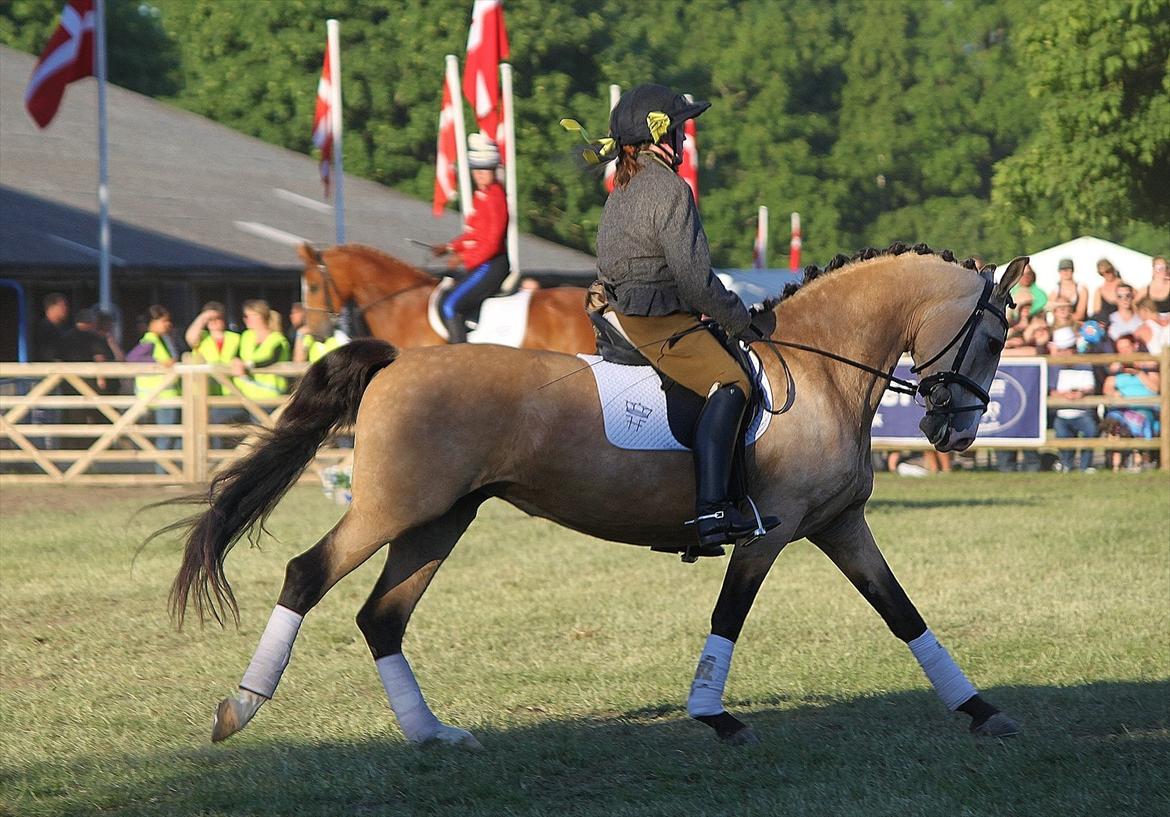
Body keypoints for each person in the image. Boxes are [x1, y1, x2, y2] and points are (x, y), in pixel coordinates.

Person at [588, 83, 779, 557]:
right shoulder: (670, 190)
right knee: (734, 382)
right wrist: (741, 321)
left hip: (619, 313)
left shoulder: (623, 188)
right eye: (678, 131)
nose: (684, 140)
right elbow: (696, 282)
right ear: (658, 138)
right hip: (654, 320)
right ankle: (714, 511)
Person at [432, 133, 510, 343]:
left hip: (491, 265)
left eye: (485, 169)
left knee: (450, 306)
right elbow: (474, 234)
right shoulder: (482, 196)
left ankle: (461, 357)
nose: (480, 174)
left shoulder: (495, 198)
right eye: (477, 169)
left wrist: (465, 259)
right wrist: (450, 248)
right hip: (482, 263)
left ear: (493, 170)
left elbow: (491, 243)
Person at [127, 305, 182, 460]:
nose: (167, 324)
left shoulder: (164, 339)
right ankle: (164, 471)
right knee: (166, 435)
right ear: (153, 322)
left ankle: (169, 471)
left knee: (172, 436)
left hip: (167, 394)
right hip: (159, 395)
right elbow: (132, 358)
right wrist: (158, 362)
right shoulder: (150, 339)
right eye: (164, 321)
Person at [185, 301, 242, 448]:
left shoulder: (235, 338)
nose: (215, 322)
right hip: (205, 392)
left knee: (229, 432)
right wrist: (203, 317)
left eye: (218, 318)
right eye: (210, 320)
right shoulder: (202, 337)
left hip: (230, 392)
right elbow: (190, 338)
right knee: (205, 433)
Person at [1101, 334, 1160, 471]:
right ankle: (1116, 466)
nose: (1124, 352)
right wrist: (1114, 393)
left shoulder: (1149, 363)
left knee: (1140, 418)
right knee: (1113, 422)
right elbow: (1107, 388)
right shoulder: (1116, 368)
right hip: (1122, 407)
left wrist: (1139, 372)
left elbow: (1155, 388)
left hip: (1145, 406)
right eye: (1120, 349)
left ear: (1135, 346)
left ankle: (1140, 461)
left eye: (1127, 347)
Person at [1048, 326, 1098, 472]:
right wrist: (1065, 396)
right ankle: (1066, 465)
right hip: (1062, 413)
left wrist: (1081, 394)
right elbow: (1052, 391)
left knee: (1091, 432)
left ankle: (1085, 465)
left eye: (1067, 349)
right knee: (1063, 437)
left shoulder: (1084, 364)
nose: (1064, 354)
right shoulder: (1054, 367)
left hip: (1082, 412)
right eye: (1062, 350)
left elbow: (1090, 387)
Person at [231, 299, 291, 402]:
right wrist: (235, 361)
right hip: (244, 394)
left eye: (248, 316)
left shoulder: (278, 339)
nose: (245, 319)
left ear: (260, 316)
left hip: (270, 395)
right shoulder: (246, 336)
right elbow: (236, 355)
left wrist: (248, 366)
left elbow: (272, 360)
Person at [33, 292, 69, 362]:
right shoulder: (43, 330)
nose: (66, 309)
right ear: (51, 307)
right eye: (62, 306)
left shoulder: (62, 329)